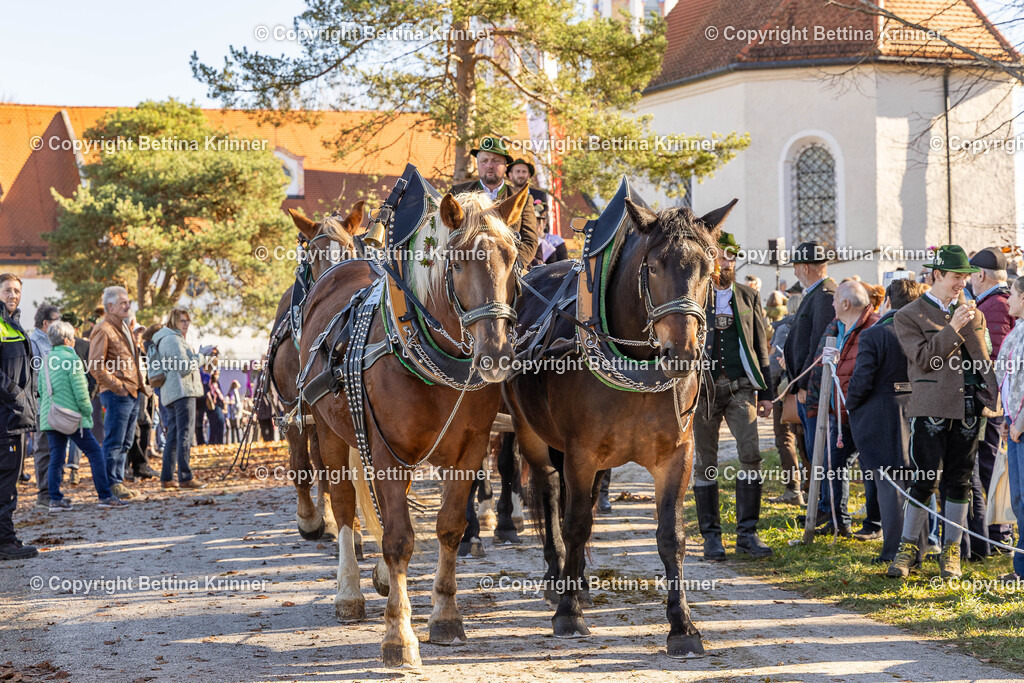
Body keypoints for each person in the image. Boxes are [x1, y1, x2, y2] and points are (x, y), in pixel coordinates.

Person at [888, 245, 999, 580]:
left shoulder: (973, 312)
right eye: (955, 277)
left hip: (968, 408)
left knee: (960, 480)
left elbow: (983, 359)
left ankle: (952, 552)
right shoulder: (908, 315)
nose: (961, 284)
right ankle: (908, 549)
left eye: (965, 277)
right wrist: (953, 328)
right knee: (924, 478)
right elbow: (924, 360)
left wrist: (996, 397)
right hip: (931, 409)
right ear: (936, 275)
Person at [693, 232, 775, 559]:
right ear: (710, 259)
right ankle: (711, 537)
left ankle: (747, 534)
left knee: (752, 455)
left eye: (730, 257)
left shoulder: (747, 296)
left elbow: (761, 347)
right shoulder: (697, 295)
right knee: (705, 463)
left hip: (742, 386)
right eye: (720, 256)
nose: (725, 262)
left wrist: (767, 393)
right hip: (704, 390)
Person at [846, 280, 926, 563]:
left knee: (890, 486)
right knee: (919, 483)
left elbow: (861, 382)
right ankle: (921, 549)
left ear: (889, 302)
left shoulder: (875, 335)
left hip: (883, 415)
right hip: (920, 411)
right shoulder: (926, 333)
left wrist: (850, 405)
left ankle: (895, 550)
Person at [804, 281, 879, 536]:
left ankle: (874, 525)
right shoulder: (837, 328)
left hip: (866, 414)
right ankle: (839, 523)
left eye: (835, 300)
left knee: (871, 470)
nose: (832, 304)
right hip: (841, 414)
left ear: (845, 303)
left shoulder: (874, 327)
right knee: (834, 465)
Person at [38, 321, 128, 512]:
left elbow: (40, 390)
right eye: (72, 337)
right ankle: (105, 495)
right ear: (65, 340)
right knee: (95, 453)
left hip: (51, 417)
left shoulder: (46, 360)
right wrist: (87, 412)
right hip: (72, 419)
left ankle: (54, 499)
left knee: (56, 457)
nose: (74, 340)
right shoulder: (72, 360)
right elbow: (80, 392)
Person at [969, 247, 1014, 549]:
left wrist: (987, 401)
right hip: (996, 402)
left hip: (992, 404)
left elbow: (993, 359)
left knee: (990, 464)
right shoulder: (996, 301)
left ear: (981, 275)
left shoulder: (995, 306)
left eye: (971, 274)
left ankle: (999, 534)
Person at [88, 286, 149, 499]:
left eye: (128, 302)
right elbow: (95, 365)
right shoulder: (102, 329)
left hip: (132, 392)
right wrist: (118, 387)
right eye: (123, 303)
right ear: (110, 306)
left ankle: (118, 482)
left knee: (125, 442)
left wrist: (137, 387)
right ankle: (110, 485)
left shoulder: (123, 327)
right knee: (114, 441)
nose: (128, 305)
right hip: (117, 393)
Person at [783, 242, 837, 461]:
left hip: (813, 387)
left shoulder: (824, 295)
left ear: (805, 268)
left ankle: (825, 496)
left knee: (820, 452)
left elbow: (820, 344)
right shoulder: (815, 293)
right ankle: (821, 495)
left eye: (796, 267)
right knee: (813, 449)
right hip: (808, 385)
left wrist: (804, 383)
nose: (795, 272)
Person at [450, 136, 538, 266]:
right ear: (478, 164)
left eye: (496, 161)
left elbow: (530, 241)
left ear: (505, 167)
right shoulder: (458, 193)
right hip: (468, 270)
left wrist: (513, 265)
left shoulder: (521, 198)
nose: (490, 165)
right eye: (484, 161)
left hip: (509, 269)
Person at [149, 308, 212, 489]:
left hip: (172, 393)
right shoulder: (172, 340)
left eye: (188, 321)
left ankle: (167, 478)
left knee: (173, 437)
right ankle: (185, 477)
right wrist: (202, 357)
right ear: (174, 321)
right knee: (184, 434)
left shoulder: (165, 338)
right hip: (182, 392)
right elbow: (184, 368)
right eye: (183, 320)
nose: (186, 324)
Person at [0, 274, 39, 560]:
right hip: (6, 417)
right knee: (5, 481)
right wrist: (17, 396)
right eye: (7, 290)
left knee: (8, 480)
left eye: (17, 290)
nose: (13, 294)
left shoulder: (13, 324)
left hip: (15, 416)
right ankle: (5, 542)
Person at [994, 276, 1024, 580]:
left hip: (1022, 427)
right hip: (1015, 425)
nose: (1008, 300)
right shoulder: (1017, 331)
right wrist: (1008, 418)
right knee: (1019, 501)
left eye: (1012, 294)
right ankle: (1021, 568)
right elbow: (1012, 381)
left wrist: (1021, 420)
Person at [769, 291, 807, 506]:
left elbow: (775, 365)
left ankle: (793, 489)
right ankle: (812, 489)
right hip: (807, 389)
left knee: (786, 439)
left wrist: (770, 392)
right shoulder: (812, 327)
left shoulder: (785, 328)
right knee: (806, 440)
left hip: (786, 392)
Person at [28, 304, 60, 508]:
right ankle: (44, 493)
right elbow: (37, 374)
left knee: (56, 448)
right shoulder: (34, 343)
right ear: (46, 323)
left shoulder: (53, 342)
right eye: (56, 320)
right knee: (43, 449)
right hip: (43, 406)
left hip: (58, 404)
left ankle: (54, 491)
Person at [205, 369, 226, 445]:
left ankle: (216, 441)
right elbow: (219, 395)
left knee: (216, 424)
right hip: (214, 406)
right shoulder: (210, 383)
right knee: (217, 423)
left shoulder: (216, 383)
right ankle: (215, 441)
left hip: (216, 406)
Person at [225, 379, 243, 444]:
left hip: (231, 414)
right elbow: (237, 403)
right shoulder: (235, 391)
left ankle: (233, 441)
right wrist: (239, 410)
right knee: (237, 427)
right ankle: (239, 440)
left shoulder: (230, 392)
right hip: (235, 413)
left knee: (232, 428)